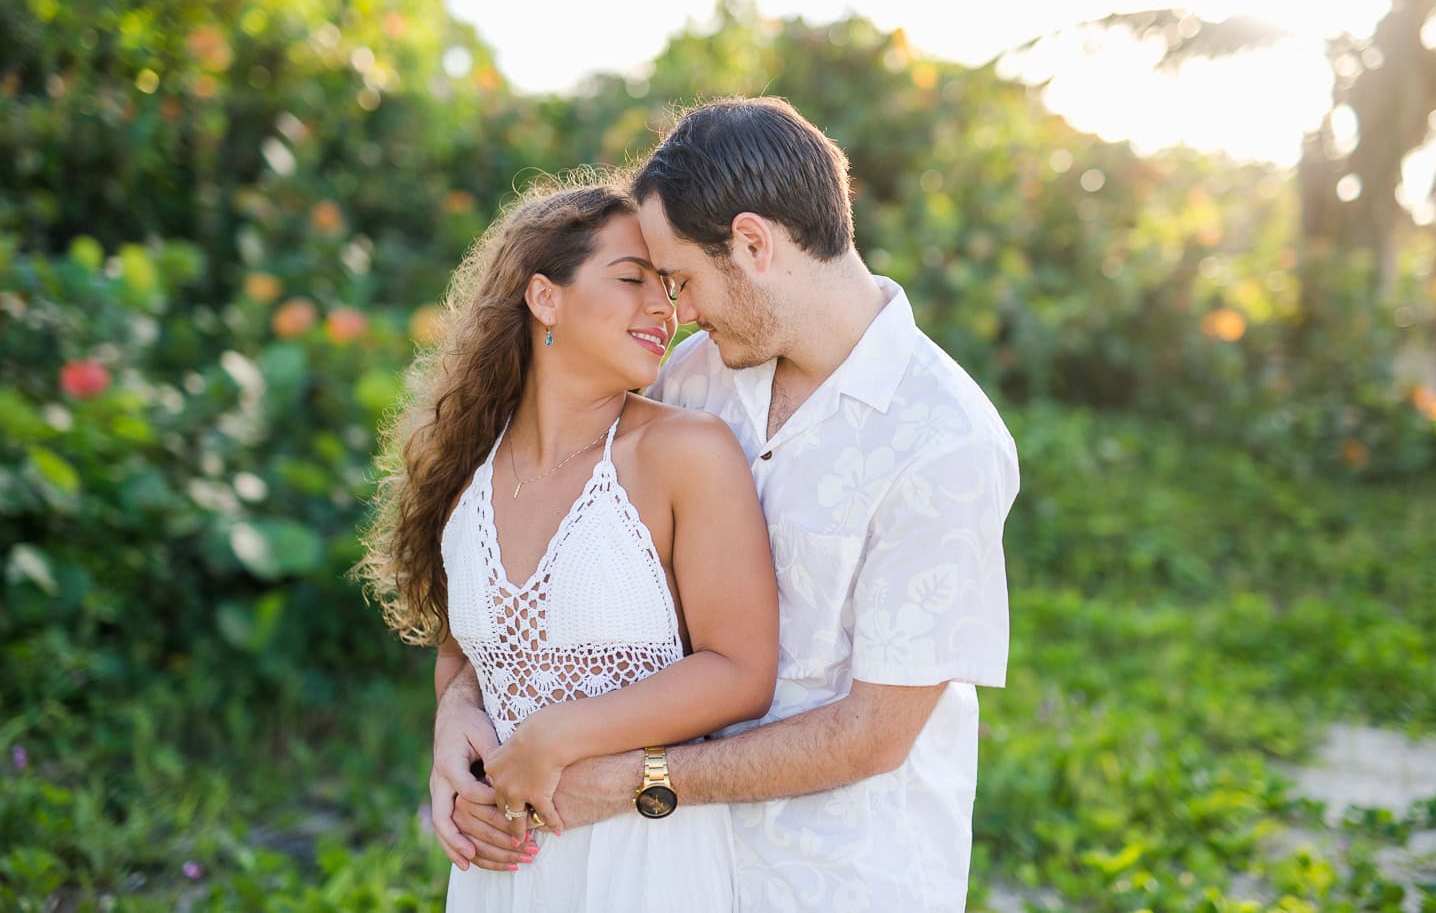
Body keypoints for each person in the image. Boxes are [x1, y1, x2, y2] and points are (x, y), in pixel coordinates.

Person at [432, 97, 1019, 911]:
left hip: (839, 875)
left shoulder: (945, 443)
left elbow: (875, 733)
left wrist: (636, 781)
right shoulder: (697, 377)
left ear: (752, 244)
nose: (677, 313)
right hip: (667, 866)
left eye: (680, 280)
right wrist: (463, 704)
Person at [357, 178, 780, 911]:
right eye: (630, 280)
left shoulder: (684, 452)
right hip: (499, 870)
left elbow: (741, 671)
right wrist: (452, 725)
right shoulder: (467, 471)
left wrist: (559, 736)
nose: (663, 309)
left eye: (668, 287)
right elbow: (471, 650)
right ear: (544, 297)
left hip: (643, 862)